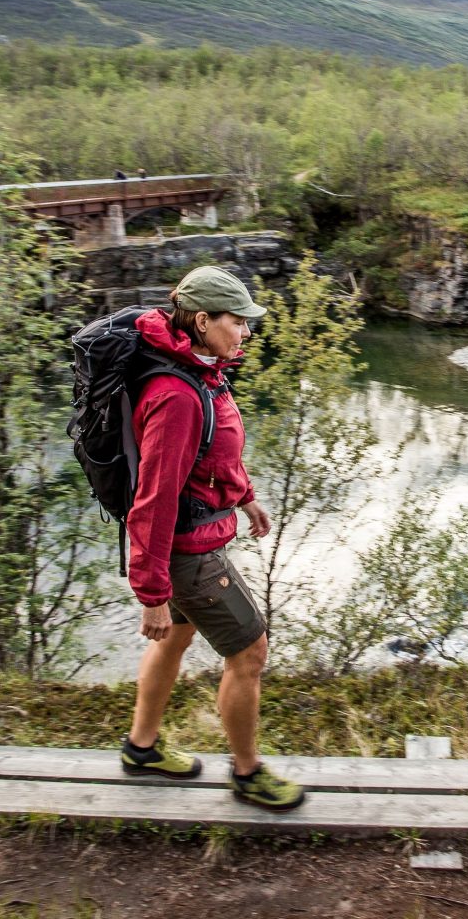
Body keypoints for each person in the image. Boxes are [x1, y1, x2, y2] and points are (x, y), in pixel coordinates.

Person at [119, 264, 305, 812]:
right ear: (202, 320)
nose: (247, 330)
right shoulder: (175, 394)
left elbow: (214, 448)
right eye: (238, 321)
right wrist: (150, 593)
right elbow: (153, 500)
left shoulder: (200, 368)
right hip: (189, 554)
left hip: (196, 541)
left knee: (175, 639)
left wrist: (243, 494)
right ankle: (248, 774)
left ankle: (142, 747)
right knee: (250, 651)